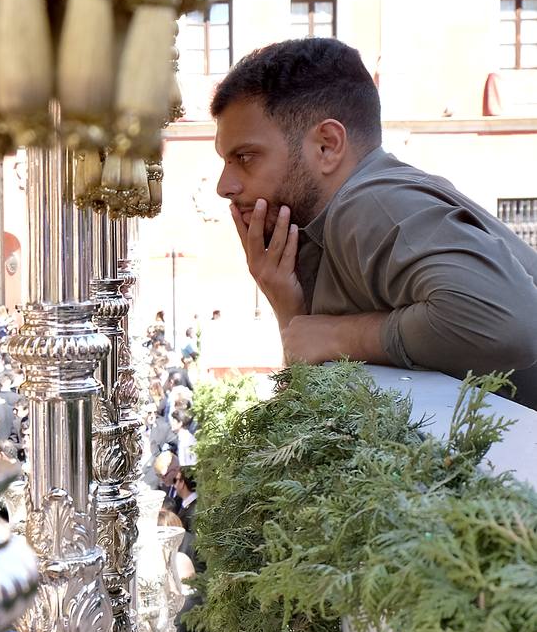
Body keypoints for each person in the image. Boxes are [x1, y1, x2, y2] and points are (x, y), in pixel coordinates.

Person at [212, 38, 537, 407]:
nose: (225, 186)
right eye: (226, 160)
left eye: (246, 156)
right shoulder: (323, 228)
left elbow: (509, 324)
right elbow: (311, 403)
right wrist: (289, 308)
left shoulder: (368, 203)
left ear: (328, 146)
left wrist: (339, 334)